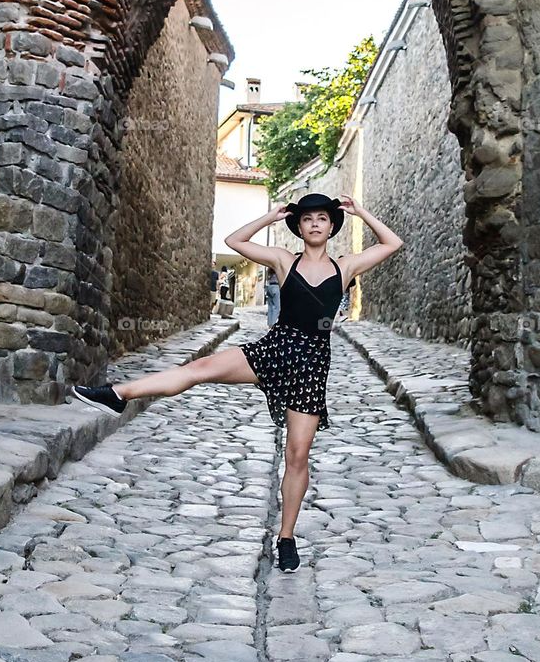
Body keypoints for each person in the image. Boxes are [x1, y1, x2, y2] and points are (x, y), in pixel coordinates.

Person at [70, 191, 403, 574]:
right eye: (308, 218)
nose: (314, 223)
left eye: (322, 218)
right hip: (275, 349)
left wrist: (361, 212)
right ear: (299, 226)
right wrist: (270, 217)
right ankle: (118, 394)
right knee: (201, 368)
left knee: (297, 456)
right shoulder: (283, 260)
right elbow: (235, 242)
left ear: (331, 226)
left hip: (312, 366)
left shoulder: (345, 267)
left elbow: (393, 243)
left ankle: (287, 537)